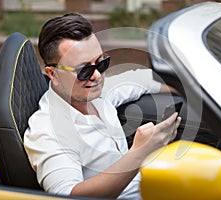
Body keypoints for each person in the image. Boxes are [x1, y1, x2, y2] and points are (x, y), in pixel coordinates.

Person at [24, 13, 181, 199]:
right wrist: (139, 153)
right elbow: (67, 195)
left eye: (101, 62)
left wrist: (192, 91)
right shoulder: (48, 130)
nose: (97, 75)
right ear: (52, 74)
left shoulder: (96, 92)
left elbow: (140, 79)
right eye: (84, 70)